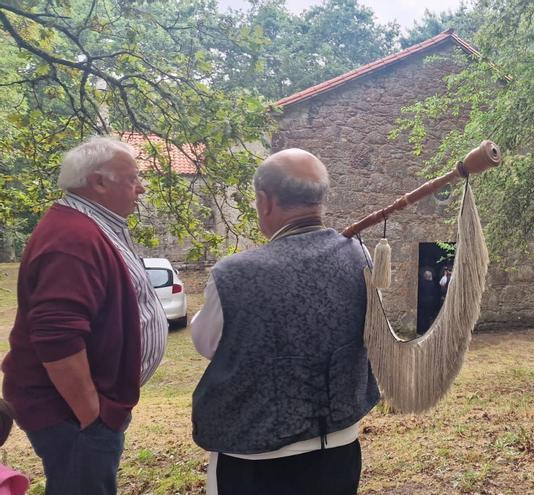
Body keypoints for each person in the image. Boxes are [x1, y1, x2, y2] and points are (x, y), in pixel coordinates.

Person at [190, 148, 379, 495]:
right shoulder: (360, 256)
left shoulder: (234, 273)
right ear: (320, 200)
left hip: (255, 457)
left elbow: (207, 343)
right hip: (338, 447)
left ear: (264, 201)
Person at [1, 136, 167, 495]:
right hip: (71, 416)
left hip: (83, 412)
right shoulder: (72, 237)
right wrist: (93, 416)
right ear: (99, 182)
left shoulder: (88, 226)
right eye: (133, 179)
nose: (141, 188)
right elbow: (57, 336)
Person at [417, 268, 441, 334]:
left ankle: (420, 329)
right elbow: (435, 293)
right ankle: (426, 329)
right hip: (430, 301)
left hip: (422, 301)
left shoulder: (421, 283)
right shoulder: (432, 284)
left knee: (422, 315)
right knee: (428, 315)